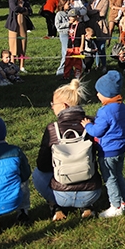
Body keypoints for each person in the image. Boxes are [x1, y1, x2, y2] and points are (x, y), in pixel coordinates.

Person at [33, 79, 103, 221]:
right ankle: (87, 206)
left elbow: (43, 164)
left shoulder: (52, 128)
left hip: (61, 195)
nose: (52, 107)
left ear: (64, 106)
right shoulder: (91, 123)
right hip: (92, 192)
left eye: (53, 104)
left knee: (37, 173)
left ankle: (56, 207)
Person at [81, 71, 125, 218]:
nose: (97, 95)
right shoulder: (122, 107)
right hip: (120, 148)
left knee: (110, 178)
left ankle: (115, 206)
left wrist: (87, 126)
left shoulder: (105, 111)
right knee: (118, 175)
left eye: (99, 92)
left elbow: (98, 131)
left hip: (108, 151)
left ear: (107, 94)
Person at [5, 0, 33, 73]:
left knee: (23, 46)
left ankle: (22, 67)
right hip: (13, 25)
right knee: (13, 46)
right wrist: (24, 10)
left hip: (23, 25)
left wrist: (23, 10)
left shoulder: (26, 0)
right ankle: (13, 66)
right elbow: (14, 8)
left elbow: (30, 11)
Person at [89, 0, 110, 69]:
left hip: (101, 26)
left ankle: (104, 65)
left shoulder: (105, 1)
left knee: (101, 47)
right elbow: (87, 11)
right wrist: (96, 11)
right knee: (94, 47)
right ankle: (97, 65)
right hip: (91, 26)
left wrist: (92, 12)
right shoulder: (91, 1)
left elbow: (102, 13)